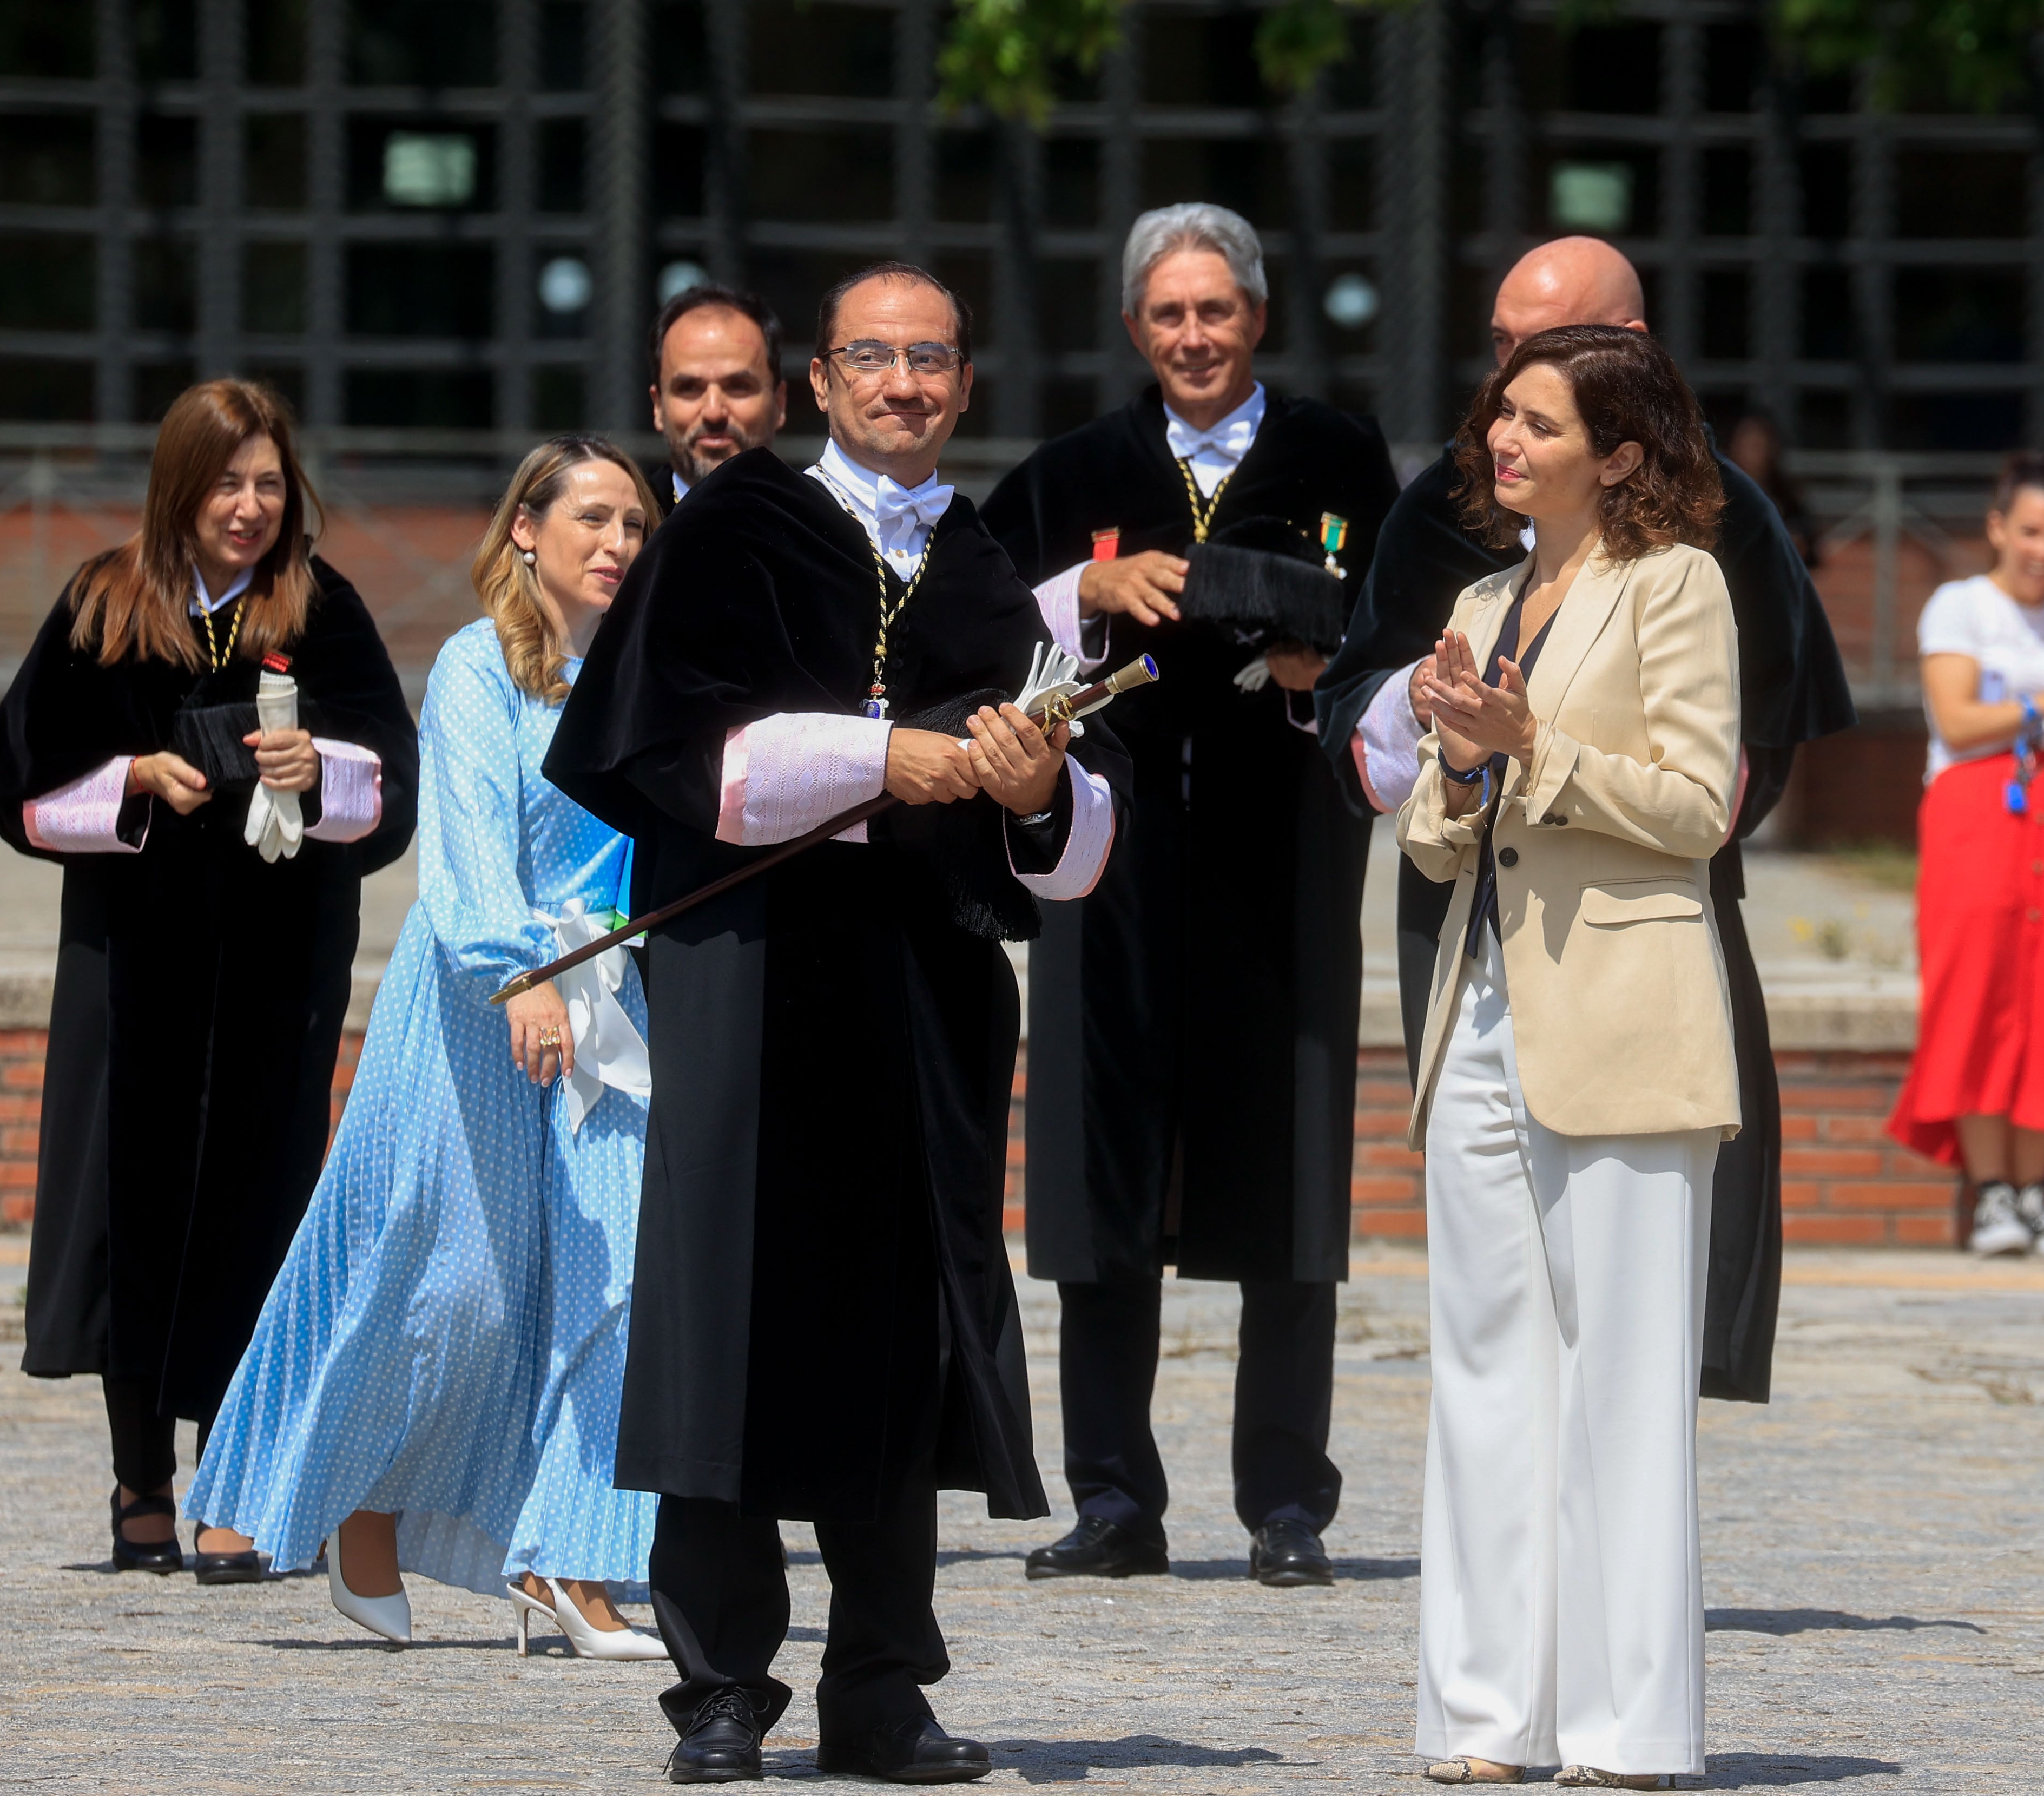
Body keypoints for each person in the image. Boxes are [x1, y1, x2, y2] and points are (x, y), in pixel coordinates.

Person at [545, 260, 1128, 1786]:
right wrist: (899, 755)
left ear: (964, 380)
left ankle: (882, 1680)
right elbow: (695, 760)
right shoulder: (734, 528)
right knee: (727, 1310)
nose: (905, 384)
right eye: (873, 357)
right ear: (822, 380)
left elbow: (1073, 845)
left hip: (922, 985)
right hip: (753, 962)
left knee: (906, 1326)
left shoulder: (988, 563)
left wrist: (1030, 782)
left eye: (931, 357)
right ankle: (724, 1684)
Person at [1314, 235, 1851, 1405]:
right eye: (1501, 345)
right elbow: (1352, 701)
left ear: (1630, 352)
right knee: (1493, 1289)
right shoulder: (1448, 508)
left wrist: (1571, 783)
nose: (1509, 382)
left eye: (1545, 350)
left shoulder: (1721, 526)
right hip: (1463, 905)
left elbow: (1748, 754)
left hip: (1635, 914)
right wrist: (1424, 714)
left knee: (1627, 1293)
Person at [188, 437, 669, 1655]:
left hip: (610, 1004)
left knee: (617, 1274)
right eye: (595, 519)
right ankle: (359, 1493)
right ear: (526, 530)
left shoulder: (646, 672)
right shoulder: (473, 669)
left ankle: (574, 1561)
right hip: (476, 1005)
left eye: (635, 525)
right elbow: (459, 851)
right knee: (453, 1287)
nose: (618, 544)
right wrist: (522, 976)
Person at [979, 203, 1399, 1589]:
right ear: (1133, 328)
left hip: (1282, 867)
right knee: (1103, 1186)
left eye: (1217, 310)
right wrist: (1083, 585)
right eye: (1169, 314)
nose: (1195, 336)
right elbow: (971, 629)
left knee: (1288, 1175)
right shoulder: (1074, 469)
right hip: (1112, 858)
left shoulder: (1340, 455)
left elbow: (1400, 637)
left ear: (1259, 316)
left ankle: (1287, 1499)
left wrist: (1314, 671)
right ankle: (1112, 1499)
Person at [0, 379, 417, 1580]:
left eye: (269, 484)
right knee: (138, 1213)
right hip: (136, 958)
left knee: (259, 1208)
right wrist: (132, 780)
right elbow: (16, 784)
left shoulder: (321, 607)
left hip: (279, 971)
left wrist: (313, 762)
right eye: (227, 483)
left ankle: (235, 1478)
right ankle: (140, 1477)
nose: (248, 507)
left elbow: (390, 788)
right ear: (182, 485)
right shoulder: (105, 602)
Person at [1401, 325, 1738, 1791]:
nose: (1504, 440)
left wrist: (1531, 744)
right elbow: (1430, 833)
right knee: (1485, 1370)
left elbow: (1697, 803)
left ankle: (1629, 1728)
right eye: (1500, 415)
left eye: (1537, 421)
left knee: (1625, 1379)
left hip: (1627, 1011)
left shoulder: (1677, 583)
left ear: (1617, 451)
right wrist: (1463, 757)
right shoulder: (1485, 591)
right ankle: (1486, 1714)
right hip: (1479, 1010)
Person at [1884, 451, 2044, 1258]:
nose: (2042, 550)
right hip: (1974, 807)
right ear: (1996, 527)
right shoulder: (1960, 606)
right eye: (2028, 530)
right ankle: (1988, 1190)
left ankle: (2032, 1187)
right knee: (1976, 988)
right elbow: (1958, 719)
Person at [648, 283, 788, 512]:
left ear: (779, 403)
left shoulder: (822, 531)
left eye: (738, 387)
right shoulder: (626, 536)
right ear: (658, 407)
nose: (714, 412)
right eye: (689, 388)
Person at [1723, 405, 1815, 567]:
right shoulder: (1720, 493)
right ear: (1735, 445)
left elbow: (1807, 543)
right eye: (1749, 445)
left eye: (1760, 445)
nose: (1755, 453)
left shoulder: (1786, 494)